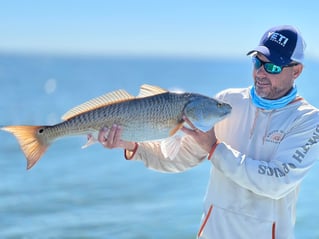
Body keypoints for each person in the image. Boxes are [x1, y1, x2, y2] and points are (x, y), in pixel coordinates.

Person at [97, 25, 319, 239]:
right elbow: (178, 158)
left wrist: (215, 149)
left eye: (272, 67)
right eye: (257, 62)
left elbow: (277, 183)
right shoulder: (227, 102)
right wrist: (132, 146)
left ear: (296, 71)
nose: (260, 72)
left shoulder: (308, 120)